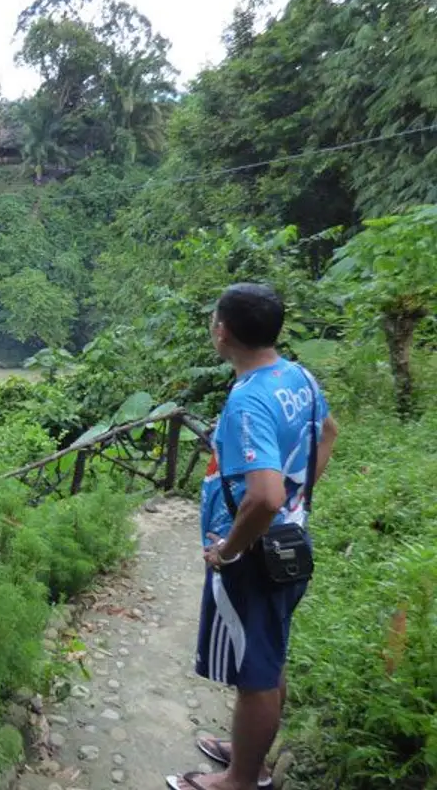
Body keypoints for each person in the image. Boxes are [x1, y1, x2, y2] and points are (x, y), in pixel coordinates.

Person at [168, 284, 339, 790]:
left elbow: (262, 496)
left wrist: (230, 548)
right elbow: (327, 432)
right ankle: (249, 751)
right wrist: (297, 501)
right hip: (288, 543)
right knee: (267, 655)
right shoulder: (297, 376)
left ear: (222, 332)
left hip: (256, 556)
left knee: (255, 674)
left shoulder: (249, 400)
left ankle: (242, 779)